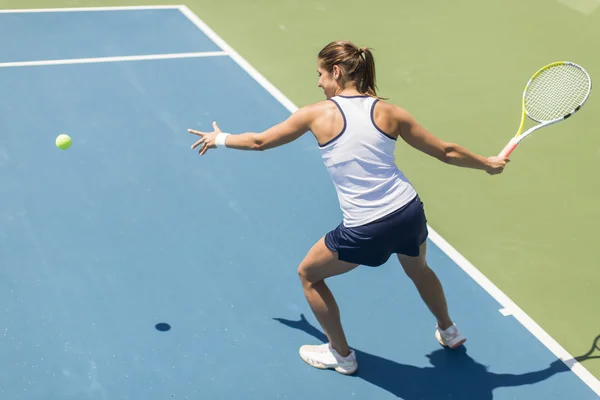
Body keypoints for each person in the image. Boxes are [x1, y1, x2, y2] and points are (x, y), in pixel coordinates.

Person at [188, 40, 509, 376]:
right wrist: (486, 163)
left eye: (321, 74)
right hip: (407, 210)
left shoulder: (317, 113)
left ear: (337, 73)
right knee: (418, 269)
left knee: (309, 275)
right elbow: (446, 151)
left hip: (367, 226)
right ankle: (449, 330)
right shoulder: (390, 112)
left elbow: (259, 141)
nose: (318, 82)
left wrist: (219, 138)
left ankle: (341, 356)